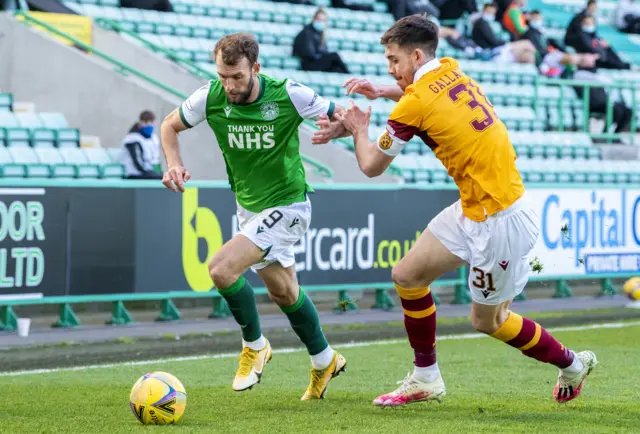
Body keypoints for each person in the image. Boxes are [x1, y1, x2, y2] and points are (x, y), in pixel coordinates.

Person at [312, 14, 597, 407]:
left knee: (487, 321)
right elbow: (423, 99)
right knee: (407, 275)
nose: (391, 70)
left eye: (394, 61)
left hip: (500, 220)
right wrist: (382, 91)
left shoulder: (415, 100)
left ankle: (571, 364)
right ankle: (426, 377)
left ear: (415, 56)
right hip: (476, 207)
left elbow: (371, 166)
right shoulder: (449, 70)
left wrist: (360, 128)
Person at [160, 33, 347, 400]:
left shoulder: (288, 93)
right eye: (223, 76)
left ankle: (254, 345)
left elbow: (339, 114)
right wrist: (174, 164)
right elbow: (169, 126)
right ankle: (325, 359)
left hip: (289, 205)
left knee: (220, 268)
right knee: (284, 291)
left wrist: (339, 126)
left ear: (255, 69)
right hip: (250, 208)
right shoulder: (211, 95)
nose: (229, 85)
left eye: (237, 78)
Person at [471, 2, 536, 64]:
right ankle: (543, 61)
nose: (490, 14)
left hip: (500, 49)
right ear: (483, 11)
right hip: (492, 51)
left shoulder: (494, 23)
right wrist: (506, 42)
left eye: (492, 13)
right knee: (527, 44)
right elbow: (493, 41)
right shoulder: (481, 23)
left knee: (529, 55)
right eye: (488, 12)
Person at [293, 8, 350, 74]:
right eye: (319, 20)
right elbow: (309, 54)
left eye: (323, 20)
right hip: (309, 65)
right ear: (314, 19)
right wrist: (323, 56)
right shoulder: (307, 33)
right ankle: (349, 74)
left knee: (337, 69)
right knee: (334, 56)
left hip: (317, 63)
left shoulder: (319, 34)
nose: (321, 22)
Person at [120, 110, 163, 180]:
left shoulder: (154, 138)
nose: (149, 125)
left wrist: (157, 172)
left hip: (149, 172)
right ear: (140, 123)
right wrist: (149, 173)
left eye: (151, 122)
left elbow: (155, 159)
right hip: (134, 174)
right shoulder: (132, 139)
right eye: (146, 122)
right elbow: (137, 162)